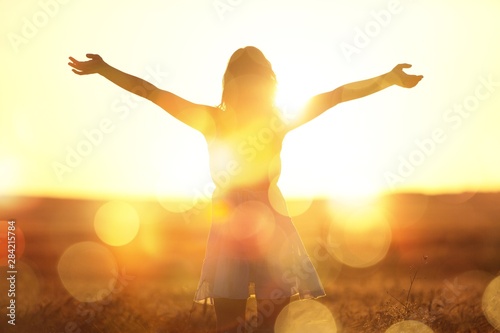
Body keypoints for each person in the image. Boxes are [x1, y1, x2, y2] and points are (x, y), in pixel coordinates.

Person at [68, 47, 423, 333]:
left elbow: (335, 96)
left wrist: (389, 79)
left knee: (259, 321)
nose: (251, 89)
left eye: (255, 81)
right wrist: (105, 69)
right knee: (235, 321)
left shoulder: (260, 120)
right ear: (237, 84)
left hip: (268, 228)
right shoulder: (230, 120)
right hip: (239, 227)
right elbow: (152, 93)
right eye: (246, 81)